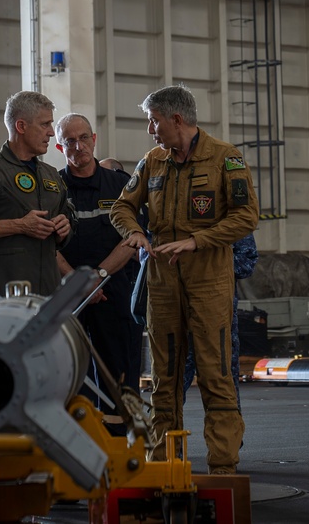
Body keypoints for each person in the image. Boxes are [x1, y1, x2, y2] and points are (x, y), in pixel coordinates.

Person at [110, 85, 258, 475]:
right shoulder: (153, 161)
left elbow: (246, 217)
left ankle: (223, 464)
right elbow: (123, 207)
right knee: (164, 377)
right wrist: (135, 234)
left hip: (209, 278)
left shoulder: (226, 158)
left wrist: (198, 241)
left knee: (215, 371)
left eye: (153, 121)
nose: (149, 129)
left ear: (177, 120)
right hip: (162, 281)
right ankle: (165, 463)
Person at [55, 113, 143, 434]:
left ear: (94, 138)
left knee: (119, 374)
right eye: (69, 142)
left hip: (115, 292)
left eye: (83, 139)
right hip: (68, 297)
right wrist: (78, 283)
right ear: (58, 147)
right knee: (68, 374)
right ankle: (75, 446)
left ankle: (120, 445)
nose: (78, 147)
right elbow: (46, 244)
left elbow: (133, 239)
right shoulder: (51, 187)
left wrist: (98, 277)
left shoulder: (121, 186)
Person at [0, 91, 75, 305]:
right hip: (2, 294)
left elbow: (67, 221)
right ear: (21, 126)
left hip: (47, 294)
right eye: (45, 124)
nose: (51, 132)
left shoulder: (51, 175)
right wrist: (20, 226)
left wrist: (64, 228)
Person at [183, 234, 258, 408]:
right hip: (176, 310)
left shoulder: (228, 215)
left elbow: (247, 260)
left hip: (218, 315)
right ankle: (165, 434)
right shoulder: (166, 211)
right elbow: (146, 253)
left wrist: (207, 267)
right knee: (169, 390)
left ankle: (228, 434)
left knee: (223, 388)